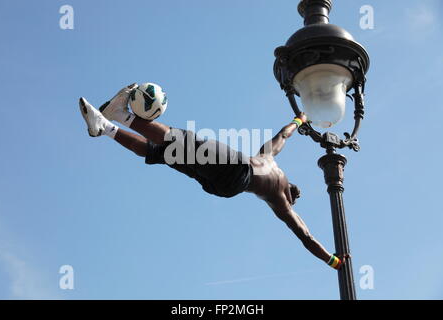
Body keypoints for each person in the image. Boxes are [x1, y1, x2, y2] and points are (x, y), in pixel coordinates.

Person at [79, 83, 348, 270]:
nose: (294, 195)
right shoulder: (276, 186)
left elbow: (306, 235)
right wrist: (332, 261)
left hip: (237, 171)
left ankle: (122, 117)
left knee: (181, 140)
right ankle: (103, 128)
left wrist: (300, 118)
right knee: (162, 152)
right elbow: (305, 235)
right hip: (223, 185)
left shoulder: (272, 171)